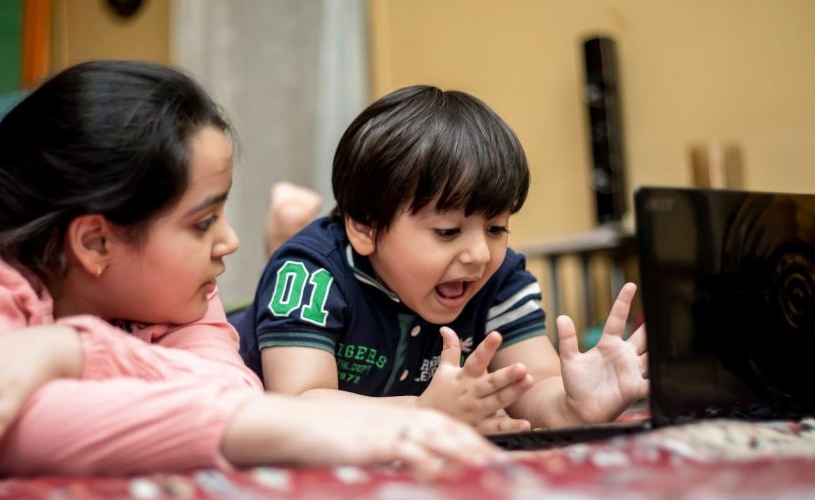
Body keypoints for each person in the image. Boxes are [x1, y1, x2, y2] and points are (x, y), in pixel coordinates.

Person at [0, 61, 501, 478]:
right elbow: (12, 436)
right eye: (201, 222)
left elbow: (232, 395)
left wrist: (63, 349)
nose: (229, 242)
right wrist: (324, 429)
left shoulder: (176, 296)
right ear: (96, 244)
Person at [233, 85, 648, 431]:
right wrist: (425, 413)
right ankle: (285, 226)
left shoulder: (500, 280)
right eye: (448, 231)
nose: (481, 254)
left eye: (497, 228)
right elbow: (297, 405)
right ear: (364, 227)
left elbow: (536, 386)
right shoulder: (309, 275)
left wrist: (576, 404)